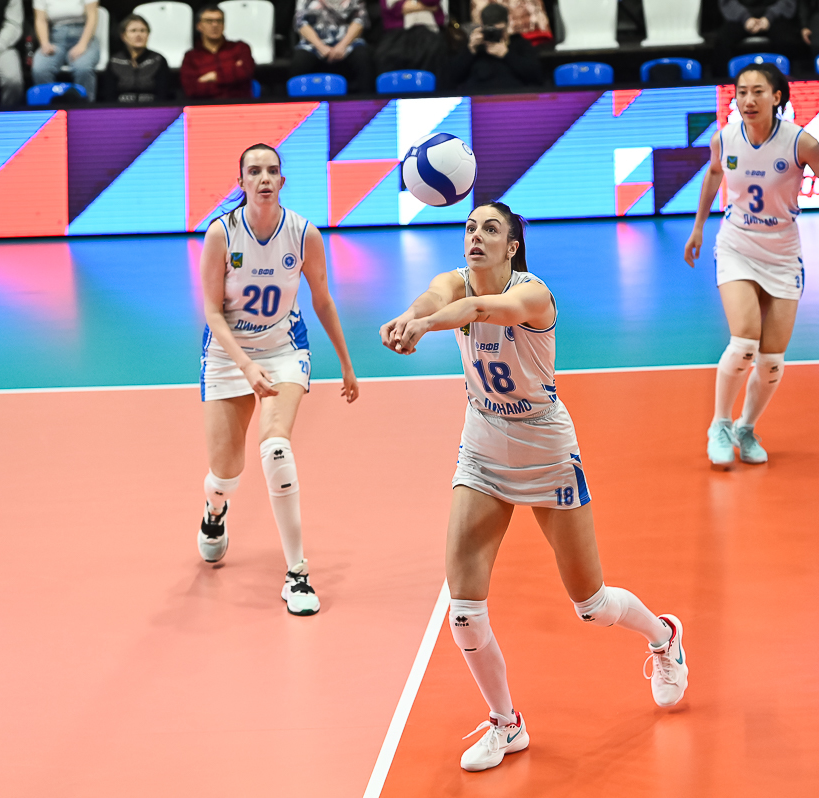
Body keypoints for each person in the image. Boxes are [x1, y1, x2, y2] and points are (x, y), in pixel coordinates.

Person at [379, 202, 689, 774]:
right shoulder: (454, 282)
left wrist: (425, 326)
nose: (476, 236)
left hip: (544, 448)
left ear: (512, 246)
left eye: (490, 229)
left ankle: (663, 636)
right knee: (463, 610)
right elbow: (435, 296)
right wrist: (409, 315)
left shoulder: (532, 294)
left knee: (591, 605)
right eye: (470, 228)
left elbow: (477, 309)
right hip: (482, 443)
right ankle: (506, 724)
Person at [683, 63, 819, 469]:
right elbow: (714, 175)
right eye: (741, 92)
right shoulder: (724, 138)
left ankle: (746, 427)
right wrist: (698, 227)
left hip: (783, 253)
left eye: (758, 91)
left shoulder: (800, 142)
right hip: (736, 245)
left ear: (777, 97)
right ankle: (720, 425)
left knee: (772, 361)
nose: (748, 100)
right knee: (744, 342)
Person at [197, 143, 360, 616]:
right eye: (254, 171)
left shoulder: (304, 234)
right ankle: (214, 510)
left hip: (284, 350)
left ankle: (297, 574)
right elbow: (211, 311)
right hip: (228, 356)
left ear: (282, 181)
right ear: (242, 182)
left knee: (275, 447)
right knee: (225, 475)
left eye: (272, 170)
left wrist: (346, 363)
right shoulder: (222, 234)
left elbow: (322, 299)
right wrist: (246, 367)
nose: (264, 178)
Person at [449, 2, 542, 92]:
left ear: (507, 26)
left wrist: (506, 54)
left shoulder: (520, 45)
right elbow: (451, 78)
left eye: (498, 31)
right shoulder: (477, 47)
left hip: (513, 97)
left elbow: (537, 77)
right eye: (490, 30)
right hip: (480, 97)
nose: (495, 34)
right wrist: (470, 50)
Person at [291, 0, 374, 94]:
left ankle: (366, 101)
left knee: (363, 58)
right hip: (313, 43)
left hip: (348, 41)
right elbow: (300, 23)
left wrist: (342, 45)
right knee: (299, 63)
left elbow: (360, 20)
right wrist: (320, 46)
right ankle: (297, 102)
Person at [181, 5, 256, 100]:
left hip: (238, 105)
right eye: (209, 21)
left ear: (224, 25)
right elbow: (191, 90)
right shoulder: (191, 56)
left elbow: (245, 72)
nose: (215, 25)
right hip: (206, 106)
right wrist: (232, 78)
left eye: (219, 21)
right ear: (199, 26)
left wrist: (214, 77)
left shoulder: (240, 48)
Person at [31, 0, 99, 100]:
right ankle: (48, 106)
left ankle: (84, 106)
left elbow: (92, 16)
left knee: (83, 68)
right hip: (56, 38)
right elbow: (40, 20)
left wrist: (82, 44)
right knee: (40, 69)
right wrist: (44, 43)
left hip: (83, 36)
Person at [712, 0, 799, 78]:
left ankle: (789, 83)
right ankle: (724, 85)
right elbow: (727, 2)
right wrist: (745, 18)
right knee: (721, 42)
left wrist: (769, 17)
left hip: (777, 17)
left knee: (788, 41)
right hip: (738, 18)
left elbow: (787, 2)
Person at [99, 14, 172, 103]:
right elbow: (109, 95)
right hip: (121, 109)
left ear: (148, 34)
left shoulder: (158, 60)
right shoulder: (115, 61)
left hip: (151, 108)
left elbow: (163, 94)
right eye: (133, 31)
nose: (138, 35)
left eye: (143, 30)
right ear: (123, 36)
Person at [375, 0, 448, 85]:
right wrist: (425, 7)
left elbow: (431, 2)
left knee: (435, 51)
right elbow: (395, 8)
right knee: (385, 56)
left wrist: (411, 5)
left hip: (427, 30)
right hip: (395, 34)